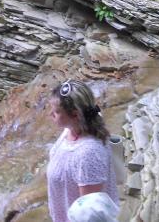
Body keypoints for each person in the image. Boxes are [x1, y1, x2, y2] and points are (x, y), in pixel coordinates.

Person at [47, 79, 119, 222]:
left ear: (75, 115)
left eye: (56, 111)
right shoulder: (82, 123)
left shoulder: (89, 154)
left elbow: (88, 214)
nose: (50, 114)